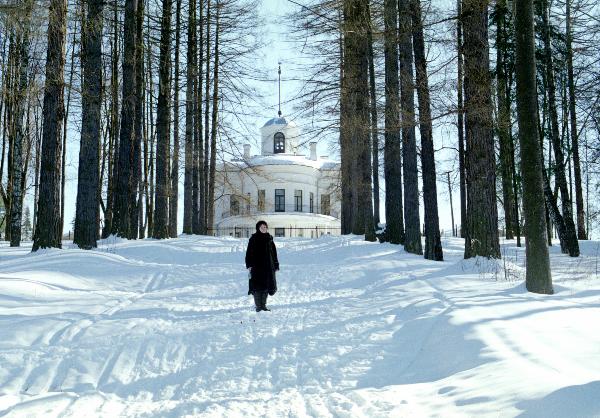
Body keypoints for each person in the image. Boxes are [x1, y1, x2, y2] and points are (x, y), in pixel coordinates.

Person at [245, 220, 279, 312]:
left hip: (268, 267)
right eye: (262, 227)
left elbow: (274, 253)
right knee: (257, 286)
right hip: (256, 267)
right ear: (258, 228)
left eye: (265, 227)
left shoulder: (269, 238)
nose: (264, 228)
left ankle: (263, 306)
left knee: (266, 286)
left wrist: (276, 264)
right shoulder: (253, 239)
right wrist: (249, 264)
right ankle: (258, 306)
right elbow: (248, 253)